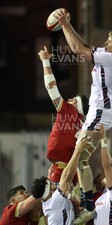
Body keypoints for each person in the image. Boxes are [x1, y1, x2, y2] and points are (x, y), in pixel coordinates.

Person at [54, 8, 112, 225]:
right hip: (99, 112)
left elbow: (78, 49)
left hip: (100, 111)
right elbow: (82, 46)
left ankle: (66, 187)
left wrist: (64, 24)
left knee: (78, 151)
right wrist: (66, 23)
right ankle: (87, 205)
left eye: (110, 40)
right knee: (82, 159)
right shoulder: (111, 55)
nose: (106, 42)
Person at [38, 45, 86, 184]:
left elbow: (51, 87)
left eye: (73, 100)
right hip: (67, 170)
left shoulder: (69, 111)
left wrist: (45, 61)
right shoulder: (81, 123)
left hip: (61, 171)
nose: (69, 100)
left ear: (78, 106)